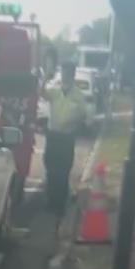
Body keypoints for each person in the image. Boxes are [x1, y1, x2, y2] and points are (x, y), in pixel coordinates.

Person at [42, 62, 88, 216]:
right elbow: (41, 93)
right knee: (51, 169)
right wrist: (45, 77)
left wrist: (75, 124)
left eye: (68, 73)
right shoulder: (55, 91)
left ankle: (60, 203)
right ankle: (51, 200)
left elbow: (83, 115)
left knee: (63, 170)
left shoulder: (78, 95)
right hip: (53, 135)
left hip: (66, 137)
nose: (65, 75)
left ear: (73, 74)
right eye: (63, 72)